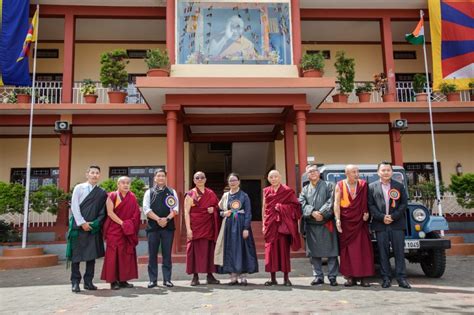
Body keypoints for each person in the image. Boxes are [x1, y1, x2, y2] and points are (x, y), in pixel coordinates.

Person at [368, 162, 411, 289]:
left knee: (399, 252)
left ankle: (401, 278)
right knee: (383, 252)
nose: (386, 172)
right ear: (378, 172)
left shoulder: (399, 186)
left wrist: (393, 216)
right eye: (383, 170)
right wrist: (382, 217)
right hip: (380, 225)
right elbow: (370, 205)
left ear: (391, 172)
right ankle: (386, 278)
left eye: (388, 170)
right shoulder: (371, 187)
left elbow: (404, 204)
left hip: (397, 224)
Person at [66, 165, 108, 293]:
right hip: (78, 227)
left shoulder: (102, 192)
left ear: (99, 175)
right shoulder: (79, 188)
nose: (95, 175)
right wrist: (82, 223)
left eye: (97, 173)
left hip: (92, 228)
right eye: (92, 172)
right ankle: (75, 282)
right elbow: (74, 207)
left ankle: (88, 282)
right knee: (76, 257)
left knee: (91, 256)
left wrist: (95, 224)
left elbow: (103, 212)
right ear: (87, 174)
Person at [334, 165, 374, 287]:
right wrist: (337, 219)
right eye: (353, 172)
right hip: (347, 222)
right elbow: (336, 203)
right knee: (348, 250)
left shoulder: (363, 184)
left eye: (357, 171)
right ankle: (350, 277)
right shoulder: (340, 185)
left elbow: (367, 201)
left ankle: (363, 277)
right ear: (346, 173)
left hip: (360, 222)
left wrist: (368, 213)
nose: (357, 174)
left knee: (363, 249)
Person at [299, 165, 339, 287]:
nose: (313, 173)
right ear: (307, 175)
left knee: (332, 252)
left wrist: (322, 213)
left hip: (326, 222)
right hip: (312, 224)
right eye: (310, 171)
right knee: (314, 253)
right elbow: (301, 203)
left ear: (319, 172)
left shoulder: (329, 185)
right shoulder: (305, 189)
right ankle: (318, 276)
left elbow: (332, 201)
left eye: (315, 170)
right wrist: (312, 212)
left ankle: (332, 276)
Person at [215, 173, 258, 285]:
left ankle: (243, 275)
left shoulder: (244, 196)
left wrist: (246, 228)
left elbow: (248, 212)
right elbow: (218, 210)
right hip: (229, 226)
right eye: (230, 180)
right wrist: (224, 213)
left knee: (242, 249)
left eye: (234, 180)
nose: (232, 182)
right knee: (230, 249)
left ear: (239, 182)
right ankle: (233, 275)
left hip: (241, 225)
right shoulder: (225, 196)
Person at [262, 170, 301, 286]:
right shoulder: (266, 191)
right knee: (271, 252)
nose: (273, 179)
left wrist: (282, 207)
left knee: (284, 252)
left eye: (275, 177)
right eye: (271, 177)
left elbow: (296, 207)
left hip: (283, 226)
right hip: (270, 225)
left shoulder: (287, 191)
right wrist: (264, 224)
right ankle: (272, 278)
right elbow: (264, 208)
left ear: (280, 177)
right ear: (268, 179)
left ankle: (286, 278)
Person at [101, 176, 141, 290]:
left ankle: (123, 280)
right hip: (114, 230)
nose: (126, 185)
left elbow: (136, 213)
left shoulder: (132, 197)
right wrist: (122, 223)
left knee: (125, 255)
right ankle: (113, 281)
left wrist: (128, 224)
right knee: (113, 256)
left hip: (127, 231)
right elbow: (110, 213)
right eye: (123, 183)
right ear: (118, 184)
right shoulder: (112, 196)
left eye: (128, 183)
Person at [143, 169, 179, 288]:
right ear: (155, 178)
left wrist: (166, 220)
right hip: (153, 228)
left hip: (168, 228)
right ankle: (153, 280)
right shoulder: (149, 192)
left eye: (163, 176)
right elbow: (146, 209)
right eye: (158, 176)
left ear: (165, 177)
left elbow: (176, 209)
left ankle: (167, 279)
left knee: (167, 254)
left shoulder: (171, 191)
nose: (161, 178)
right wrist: (158, 219)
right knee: (152, 254)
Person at [184, 171, 221, 286]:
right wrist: (188, 229)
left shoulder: (210, 193)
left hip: (208, 226)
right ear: (194, 180)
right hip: (196, 226)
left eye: (202, 177)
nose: (199, 179)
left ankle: (210, 275)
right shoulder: (190, 194)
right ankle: (195, 277)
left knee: (209, 251)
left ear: (205, 179)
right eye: (197, 178)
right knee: (194, 252)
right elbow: (186, 212)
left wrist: (213, 209)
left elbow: (218, 206)